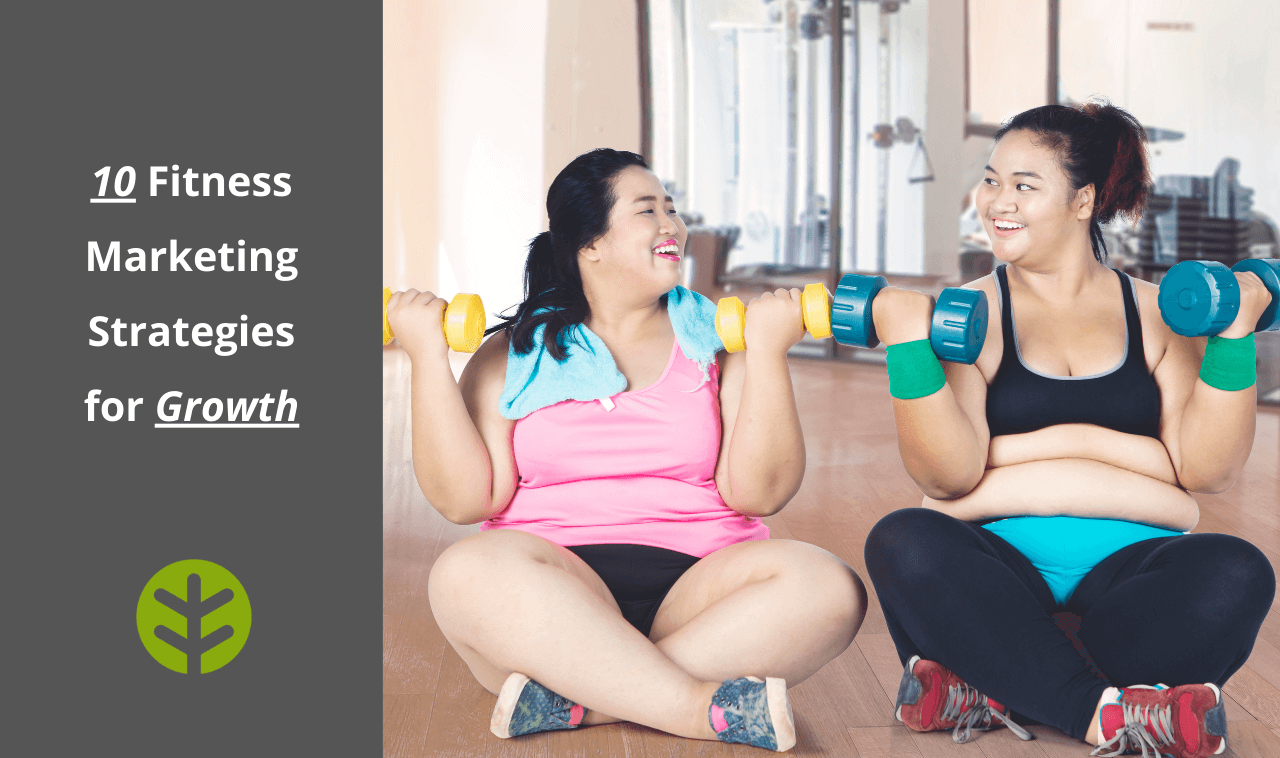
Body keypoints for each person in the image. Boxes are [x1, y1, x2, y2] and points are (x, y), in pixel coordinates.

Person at [386, 148, 866, 752]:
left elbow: (761, 493)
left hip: (701, 592)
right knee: (464, 571)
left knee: (829, 586)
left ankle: (582, 699)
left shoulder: (721, 342)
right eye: (647, 210)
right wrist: (427, 357)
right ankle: (696, 707)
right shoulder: (511, 354)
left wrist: (767, 354)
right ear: (592, 244)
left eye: (671, 208)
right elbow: (465, 500)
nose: (673, 224)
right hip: (550, 593)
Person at [861, 101, 1275, 757]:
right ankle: (1102, 712)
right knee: (905, 538)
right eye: (992, 179)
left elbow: (1205, 470)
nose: (996, 201)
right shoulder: (971, 315)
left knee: (1237, 567)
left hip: (1128, 580)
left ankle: (990, 686)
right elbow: (949, 474)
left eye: (1025, 185)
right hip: (995, 577)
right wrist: (909, 350)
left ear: (1083, 201)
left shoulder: (1157, 315)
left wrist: (1232, 333)